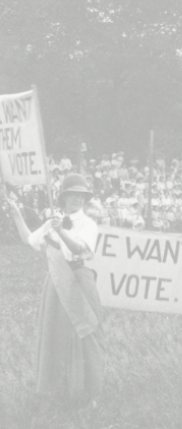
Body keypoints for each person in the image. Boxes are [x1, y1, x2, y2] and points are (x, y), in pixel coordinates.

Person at [3, 174, 105, 406]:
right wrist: (16, 213)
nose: (78, 198)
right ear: (64, 197)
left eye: (82, 195)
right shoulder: (53, 221)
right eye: (73, 194)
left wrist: (61, 231)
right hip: (56, 282)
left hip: (78, 281)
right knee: (55, 334)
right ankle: (58, 390)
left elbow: (79, 249)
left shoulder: (88, 224)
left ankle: (90, 394)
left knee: (86, 333)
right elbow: (29, 239)